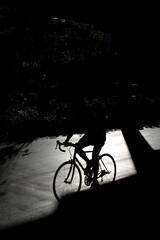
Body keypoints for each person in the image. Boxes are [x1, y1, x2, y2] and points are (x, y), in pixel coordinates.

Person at [63, 98, 107, 188]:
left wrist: (88, 138)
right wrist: (66, 141)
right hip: (91, 134)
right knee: (78, 147)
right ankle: (89, 163)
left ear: (79, 108)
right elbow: (73, 128)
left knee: (94, 156)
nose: (74, 112)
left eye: (75, 110)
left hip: (99, 135)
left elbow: (95, 127)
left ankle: (95, 180)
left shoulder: (89, 113)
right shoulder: (79, 115)